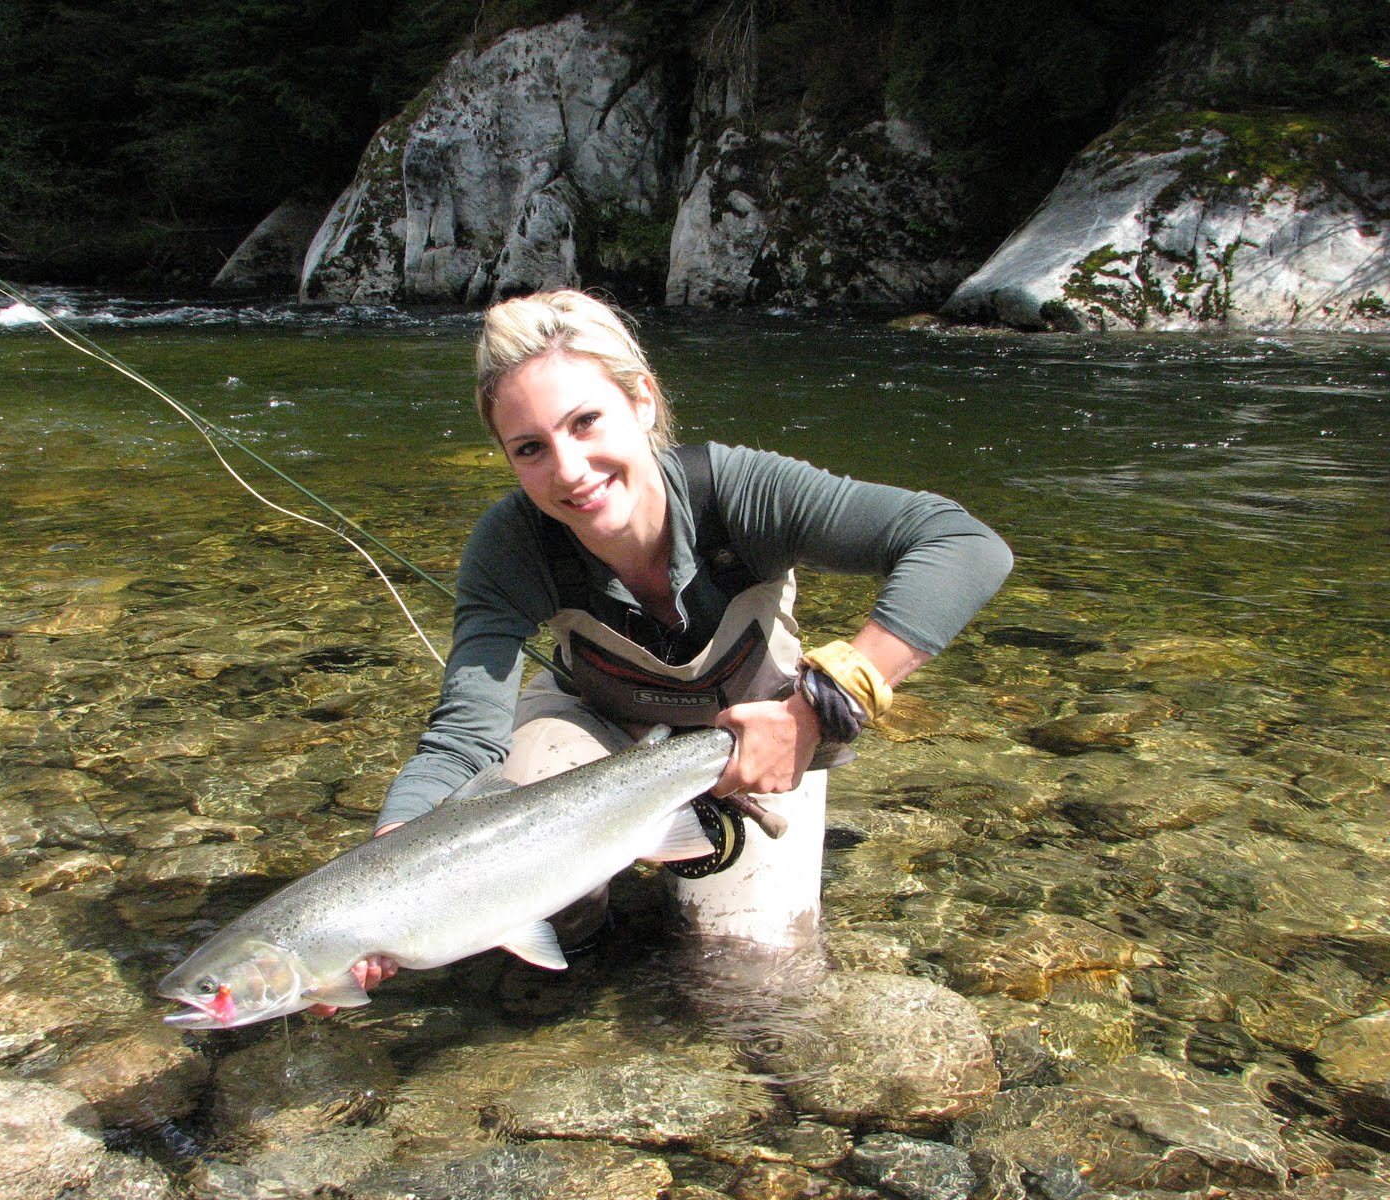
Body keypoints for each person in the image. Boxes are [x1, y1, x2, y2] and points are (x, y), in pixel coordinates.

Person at [334, 288, 1012, 1003]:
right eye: (531, 449)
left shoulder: (744, 492)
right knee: (544, 937)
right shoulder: (510, 545)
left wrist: (816, 708)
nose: (569, 471)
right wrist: (388, 871)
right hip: (593, 736)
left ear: (644, 402)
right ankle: (581, 934)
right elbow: (464, 739)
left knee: (750, 986)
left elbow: (963, 544)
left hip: (758, 752)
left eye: (586, 422)